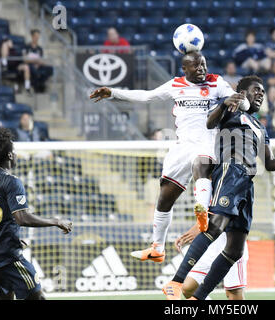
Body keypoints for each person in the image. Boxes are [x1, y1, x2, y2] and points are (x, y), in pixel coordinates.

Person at [161, 75, 275, 300]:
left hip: (247, 184)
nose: (260, 94)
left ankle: (197, 298)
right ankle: (176, 281)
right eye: (255, 90)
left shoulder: (260, 127)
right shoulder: (231, 111)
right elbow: (210, 123)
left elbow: (268, 163)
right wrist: (224, 103)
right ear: (242, 92)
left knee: (234, 250)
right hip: (230, 170)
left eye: (262, 91)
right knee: (215, 226)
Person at [90, 51, 240, 263]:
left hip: (207, 142)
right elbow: (147, 96)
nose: (201, 69)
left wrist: (238, 101)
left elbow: (240, 102)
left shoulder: (217, 82)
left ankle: (202, 214)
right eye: (196, 66)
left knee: (202, 163)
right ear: (184, 69)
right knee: (164, 198)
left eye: (203, 65)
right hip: (181, 147)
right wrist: (113, 92)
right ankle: (157, 248)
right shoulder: (175, 85)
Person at [0, 128, 72, 300]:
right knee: (37, 297)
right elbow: (22, 218)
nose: (16, 155)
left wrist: (10, 236)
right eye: (15, 152)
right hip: (7, 257)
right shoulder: (11, 182)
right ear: (10, 156)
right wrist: (55, 221)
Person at [175, 223, 248, 300]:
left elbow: (226, 214)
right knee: (188, 287)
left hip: (233, 242)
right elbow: (207, 214)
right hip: (211, 243)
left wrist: (199, 227)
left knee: (233, 292)